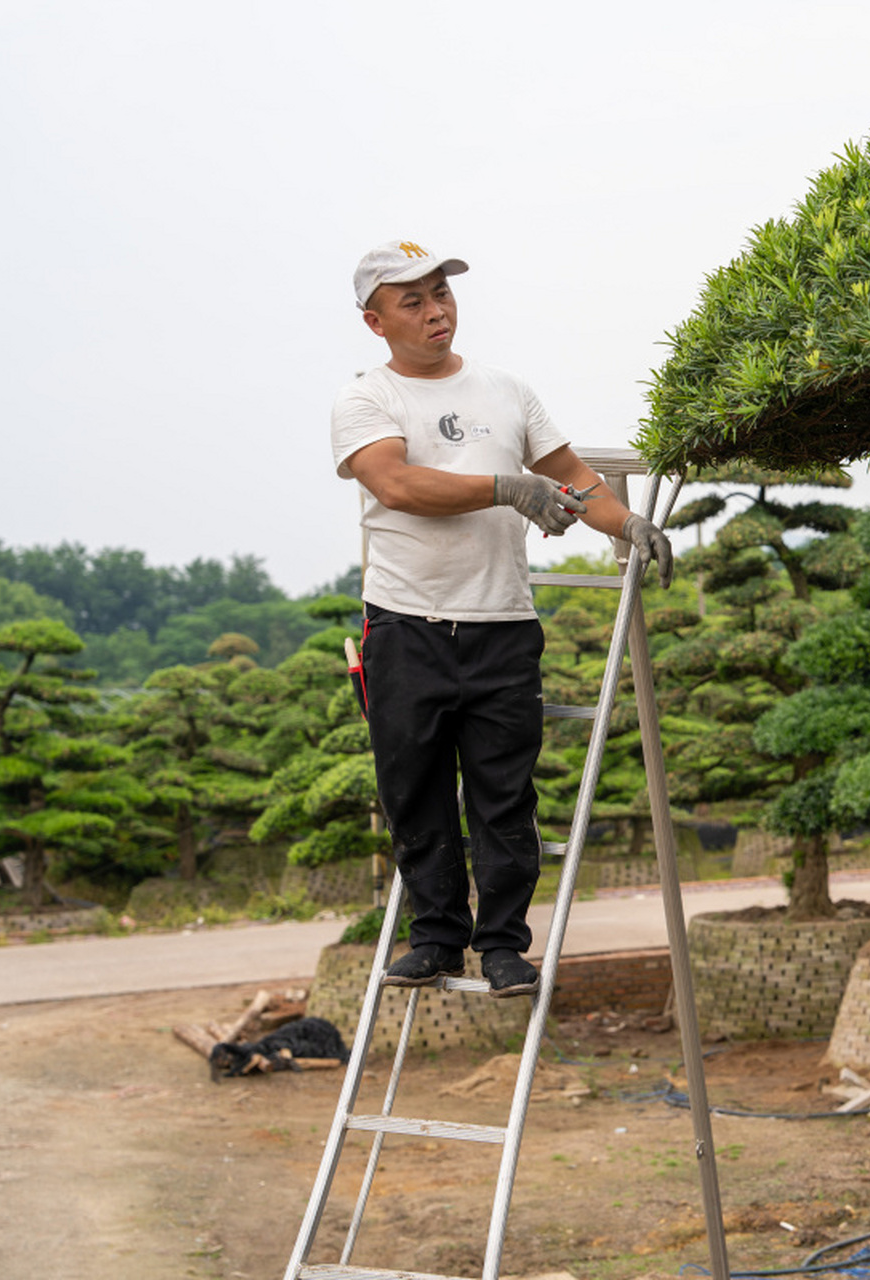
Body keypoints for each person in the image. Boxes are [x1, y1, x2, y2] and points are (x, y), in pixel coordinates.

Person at [330, 240, 672, 997]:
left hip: (500, 623)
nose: (434, 311)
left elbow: (575, 481)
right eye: (412, 301)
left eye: (441, 294)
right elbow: (397, 484)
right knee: (413, 789)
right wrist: (504, 488)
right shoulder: (367, 399)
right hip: (405, 623)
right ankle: (437, 939)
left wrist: (626, 526)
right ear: (375, 320)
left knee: (503, 795)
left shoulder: (508, 391)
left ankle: (504, 947)